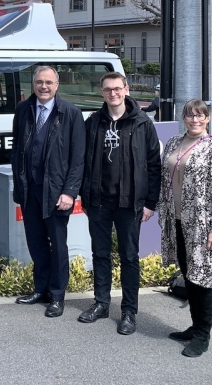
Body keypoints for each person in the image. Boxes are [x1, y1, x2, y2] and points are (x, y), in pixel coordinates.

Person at [78, 72, 161, 335]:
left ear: (126, 89)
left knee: (129, 257)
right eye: (107, 89)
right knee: (100, 254)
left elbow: (153, 166)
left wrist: (150, 203)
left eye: (117, 88)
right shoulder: (93, 122)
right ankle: (101, 303)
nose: (112, 93)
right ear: (101, 92)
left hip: (130, 203)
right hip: (99, 202)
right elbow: (81, 161)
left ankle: (129, 311)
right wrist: (84, 195)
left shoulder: (142, 123)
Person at [158, 99, 212, 358]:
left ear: (208, 118)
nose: (194, 120)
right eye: (190, 115)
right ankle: (194, 326)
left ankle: (203, 334)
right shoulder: (173, 143)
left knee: (205, 278)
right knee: (190, 274)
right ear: (184, 118)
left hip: (204, 226)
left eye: (200, 115)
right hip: (178, 221)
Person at [11, 66, 85, 318]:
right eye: (39, 82)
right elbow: (17, 148)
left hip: (56, 193)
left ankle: (57, 295)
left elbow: (78, 159)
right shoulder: (23, 109)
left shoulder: (71, 114)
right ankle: (40, 288)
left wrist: (69, 191)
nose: (44, 87)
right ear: (33, 83)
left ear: (57, 85)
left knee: (58, 244)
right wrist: (18, 185)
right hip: (29, 189)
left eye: (49, 82)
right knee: (36, 242)